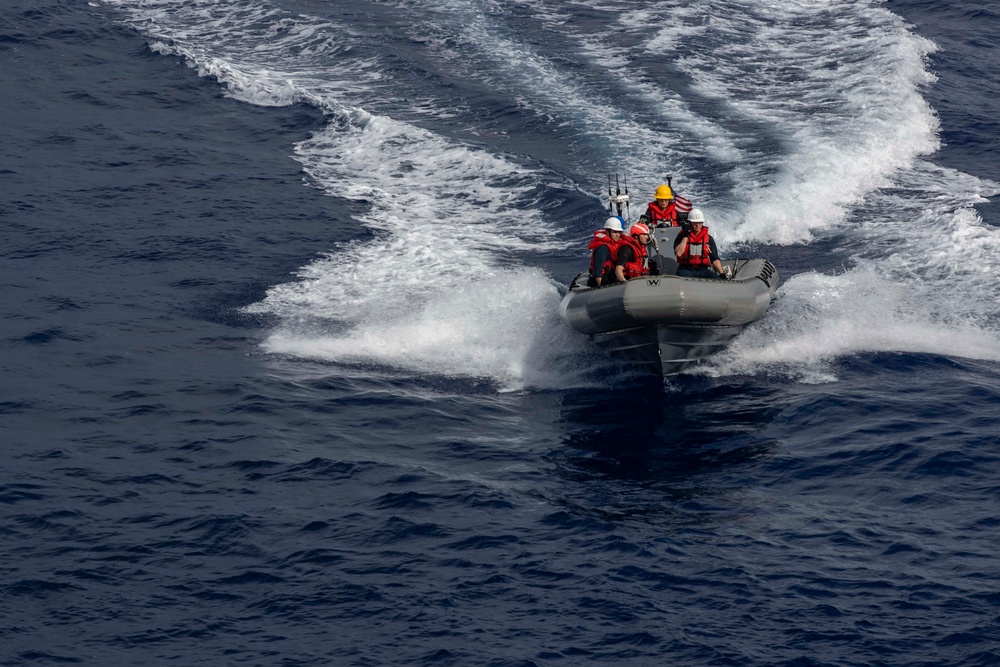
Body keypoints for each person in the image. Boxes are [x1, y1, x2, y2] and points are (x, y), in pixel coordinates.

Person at [674, 208, 727, 279]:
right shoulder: (682, 236)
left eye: (700, 222)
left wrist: (721, 273)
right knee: (682, 277)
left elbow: (714, 258)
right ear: (690, 222)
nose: (697, 225)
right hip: (686, 269)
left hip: (703, 270)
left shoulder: (708, 238)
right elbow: (679, 253)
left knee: (717, 280)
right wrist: (685, 236)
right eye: (695, 223)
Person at [588, 216, 624, 287]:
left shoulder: (615, 245)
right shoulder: (603, 248)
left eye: (619, 232)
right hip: (603, 280)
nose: (617, 235)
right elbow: (598, 271)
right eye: (614, 232)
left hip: (610, 277)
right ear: (608, 232)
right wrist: (600, 287)